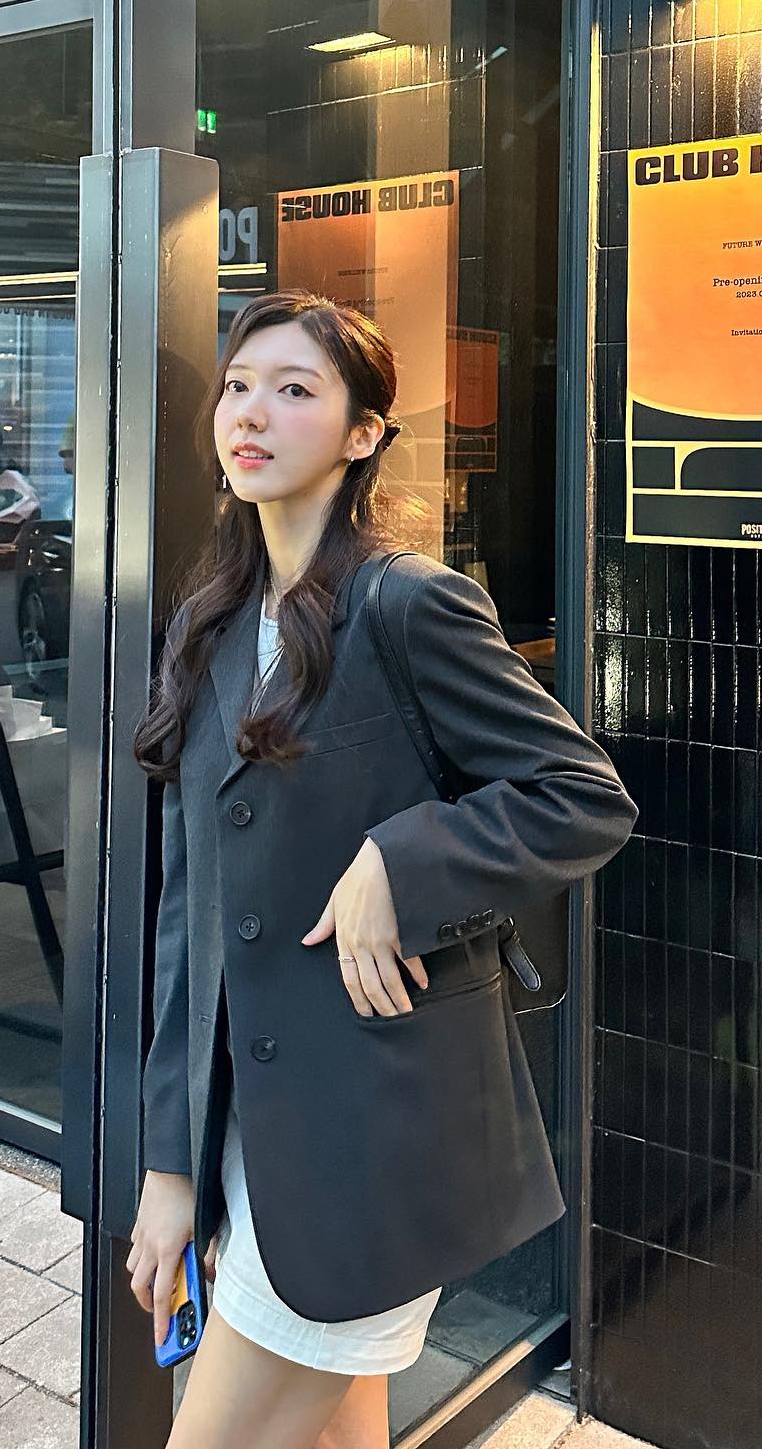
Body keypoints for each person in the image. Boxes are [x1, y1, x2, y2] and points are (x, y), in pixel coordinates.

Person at [126, 291, 637, 1449]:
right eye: (239, 385)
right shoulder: (213, 623)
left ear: (364, 434)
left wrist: (399, 862)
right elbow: (190, 917)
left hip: (374, 1132)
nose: (251, 411)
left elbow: (583, 796)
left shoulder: (410, 604)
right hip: (254, 1137)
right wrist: (170, 1165)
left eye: (294, 390)